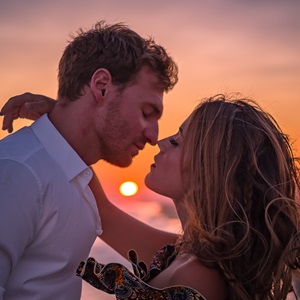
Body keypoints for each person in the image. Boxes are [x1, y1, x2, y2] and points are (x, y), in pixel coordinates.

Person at [3, 94, 300, 299]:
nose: (160, 142)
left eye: (179, 141)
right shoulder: (186, 253)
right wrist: (66, 118)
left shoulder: (199, 278)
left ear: (210, 169)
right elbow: (102, 211)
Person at [0, 20, 178, 299]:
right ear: (102, 86)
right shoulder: (18, 172)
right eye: (147, 112)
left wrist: (59, 118)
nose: (154, 137)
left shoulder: (77, 179)